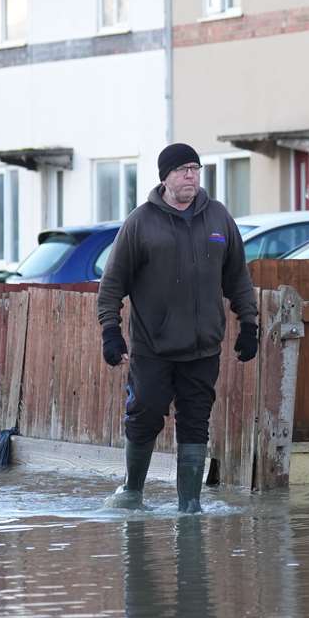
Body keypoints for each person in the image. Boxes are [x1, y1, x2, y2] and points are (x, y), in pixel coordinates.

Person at [97, 142, 258, 512]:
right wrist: (111, 331)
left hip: (203, 348)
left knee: (196, 421)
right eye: (183, 169)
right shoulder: (141, 222)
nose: (191, 175)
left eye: (195, 169)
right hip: (154, 347)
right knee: (145, 414)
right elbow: (111, 285)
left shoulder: (218, 218)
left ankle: (189, 505)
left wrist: (248, 323)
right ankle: (132, 490)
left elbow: (238, 278)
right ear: (165, 177)